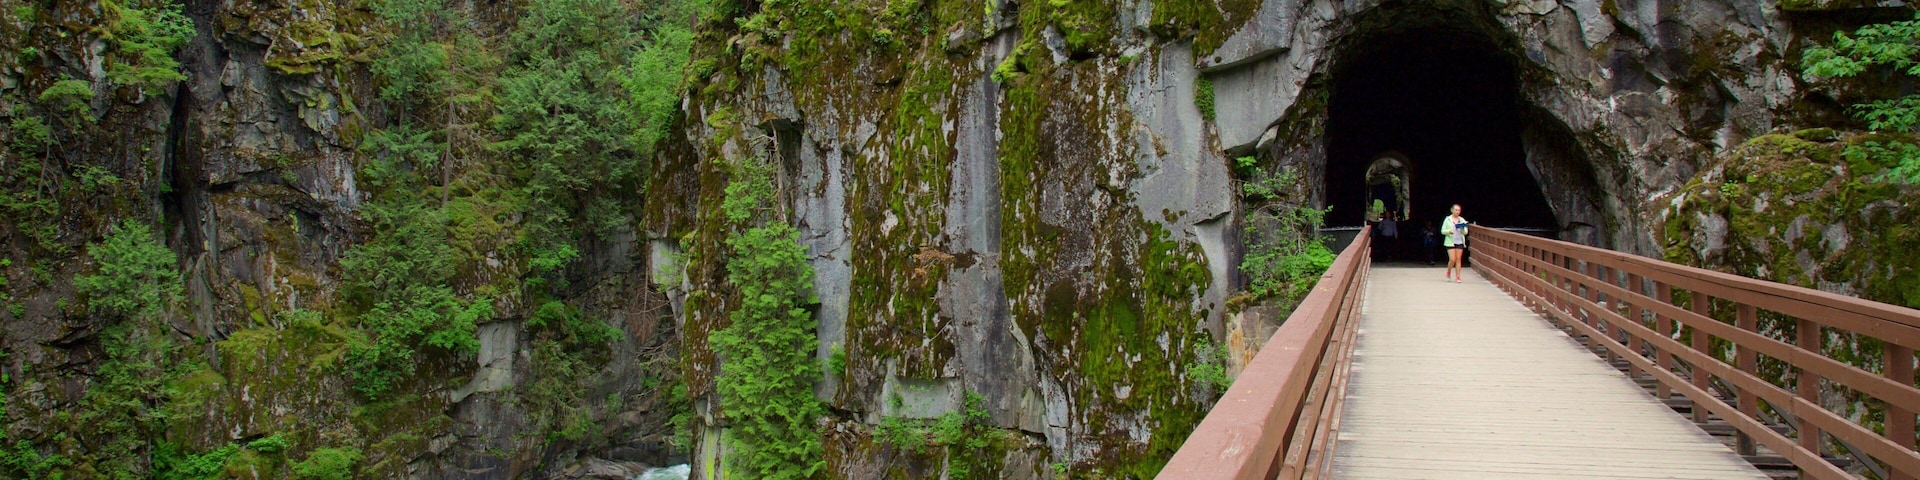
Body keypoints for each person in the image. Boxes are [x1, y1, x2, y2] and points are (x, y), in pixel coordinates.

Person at [1442, 204, 1469, 283]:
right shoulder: (1447, 219)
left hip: (1459, 241)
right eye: (1456, 210)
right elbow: (1442, 231)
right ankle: (1448, 272)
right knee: (1452, 259)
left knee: (1458, 259)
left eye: (1459, 210)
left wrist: (1462, 228)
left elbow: (1465, 232)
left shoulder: (1462, 220)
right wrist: (1448, 231)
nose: (1457, 212)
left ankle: (1458, 276)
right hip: (1450, 241)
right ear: (1452, 210)